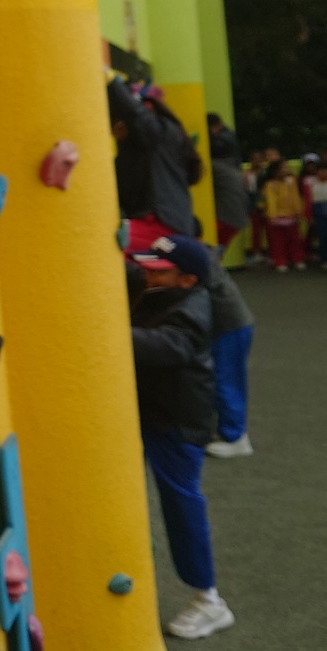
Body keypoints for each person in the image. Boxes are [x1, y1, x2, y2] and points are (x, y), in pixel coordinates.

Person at [127, 236, 236, 639]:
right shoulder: (161, 290)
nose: (148, 273)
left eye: (160, 270)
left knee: (181, 502)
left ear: (187, 280)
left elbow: (170, 346)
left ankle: (209, 600)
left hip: (177, 422)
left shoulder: (192, 308)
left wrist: (107, 332)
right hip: (151, 411)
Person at [109, 77, 203, 248]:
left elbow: (136, 115)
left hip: (160, 226)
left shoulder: (158, 133)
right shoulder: (140, 152)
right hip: (164, 225)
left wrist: (110, 81)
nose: (113, 131)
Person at [201, 253, 256, 458]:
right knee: (219, 379)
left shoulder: (194, 256)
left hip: (229, 326)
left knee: (226, 380)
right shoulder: (196, 251)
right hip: (226, 325)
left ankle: (235, 438)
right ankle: (228, 432)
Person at [206, 115, 249, 256]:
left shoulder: (214, 167)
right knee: (216, 253)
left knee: (210, 253)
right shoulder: (230, 166)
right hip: (235, 216)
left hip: (225, 217)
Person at [261, 160, 305, 271]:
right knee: (278, 242)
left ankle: (297, 259)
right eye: (283, 168)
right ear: (275, 171)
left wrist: (298, 211)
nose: (286, 170)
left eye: (286, 168)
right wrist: (272, 216)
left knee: (295, 240)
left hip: (291, 216)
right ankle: (280, 261)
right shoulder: (270, 185)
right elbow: (271, 201)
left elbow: (295, 197)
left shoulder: (291, 182)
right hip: (276, 218)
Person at [244, 150, 270, 265]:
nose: (257, 161)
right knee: (256, 230)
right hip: (253, 202)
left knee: (269, 229)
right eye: (255, 159)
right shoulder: (246, 174)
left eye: (259, 159)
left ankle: (269, 252)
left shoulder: (266, 173)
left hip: (267, 202)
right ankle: (256, 252)